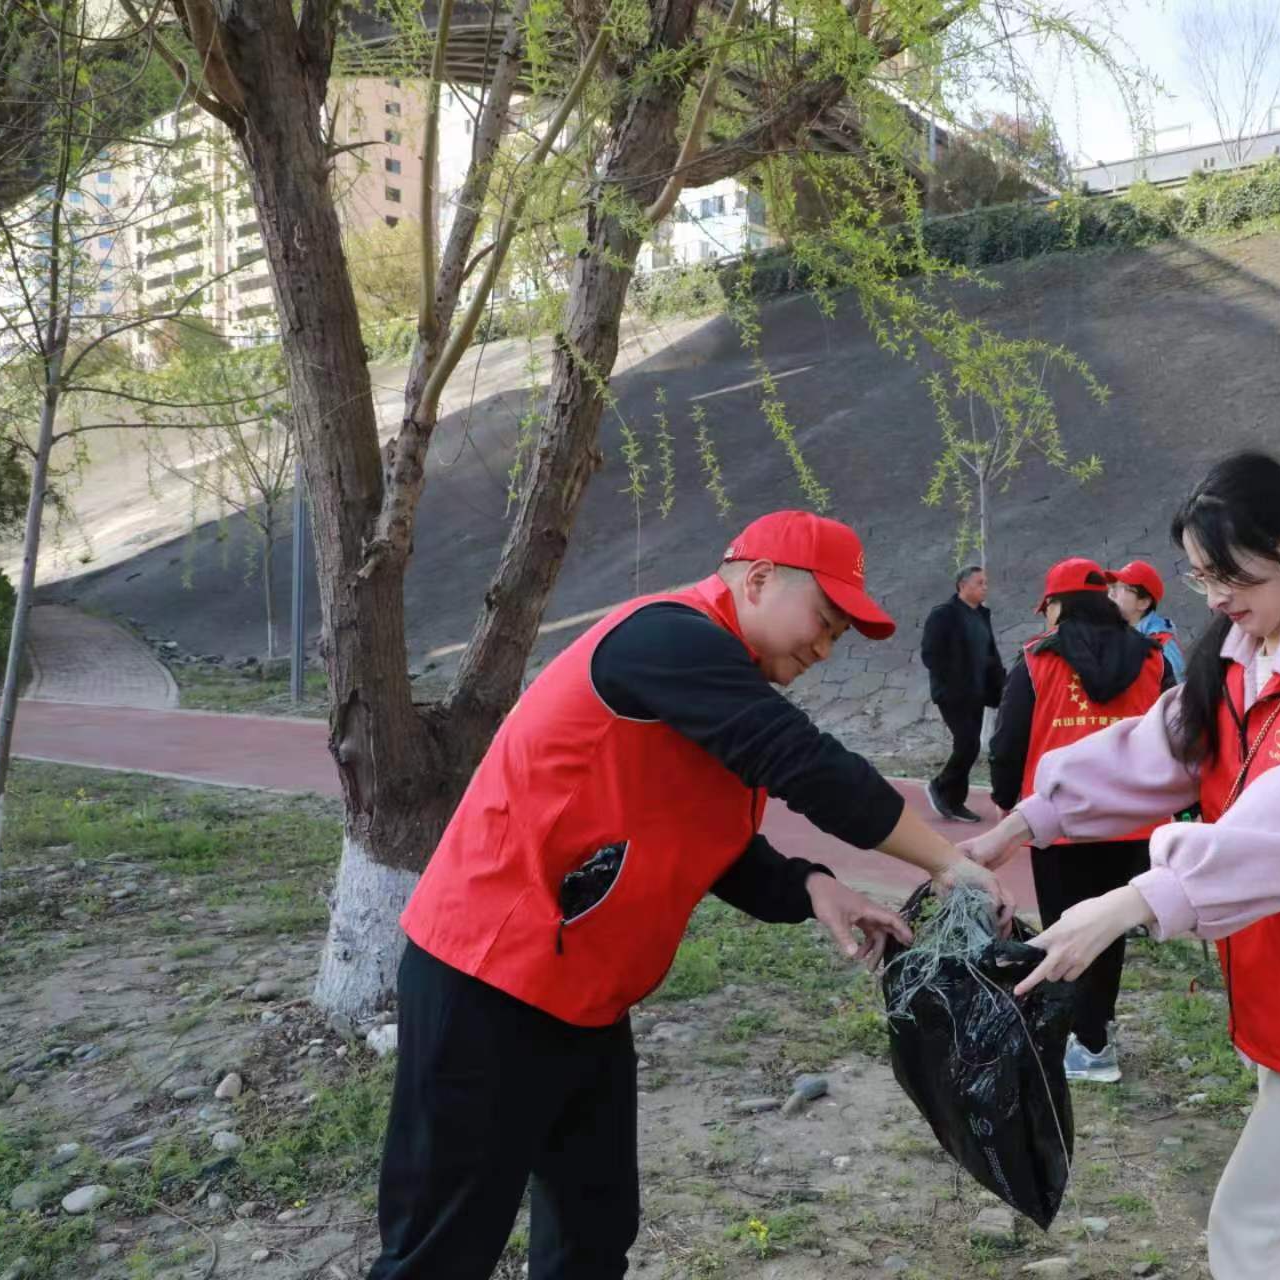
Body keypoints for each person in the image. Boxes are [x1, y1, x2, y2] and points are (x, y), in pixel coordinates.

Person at [372, 511, 1009, 1280]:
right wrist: (947, 861)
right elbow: (800, 762)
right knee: (441, 1251)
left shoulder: (712, 679)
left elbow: (707, 833)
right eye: (823, 620)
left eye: (839, 636)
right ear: (761, 578)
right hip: (487, 979)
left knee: (593, 1232)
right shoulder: (665, 638)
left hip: (585, 995)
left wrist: (811, 886)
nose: (823, 647)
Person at [963, 453, 1280, 1280]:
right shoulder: (1238, 656)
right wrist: (1022, 820)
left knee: (1256, 1229)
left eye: (1231, 575)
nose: (1218, 598)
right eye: (1200, 579)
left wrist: (1135, 899)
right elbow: (1151, 750)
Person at [988, 556, 1171, 1084]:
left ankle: (1077, 1040)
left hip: (1058, 825)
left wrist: (1007, 804)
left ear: (1059, 605)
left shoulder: (1036, 660)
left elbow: (1007, 743)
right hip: (1132, 824)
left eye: (1047, 608)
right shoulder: (1155, 659)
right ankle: (1095, 1038)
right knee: (1108, 929)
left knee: (1063, 929)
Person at [920, 564, 1004, 823]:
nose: (984, 587)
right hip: (953, 694)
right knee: (968, 743)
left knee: (970, 745)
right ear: (962, 586)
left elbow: (989, 655)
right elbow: (930, 654)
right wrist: (953, 681)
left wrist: (1000, 684)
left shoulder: (981, 616)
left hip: (977, 693)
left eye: (986, 583)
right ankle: (942, 788)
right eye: (979, 583)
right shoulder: (944, 615)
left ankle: (954, 800)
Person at [1108, 559, 1185, 684]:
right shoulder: (1119, 629)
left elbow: (1180, 690)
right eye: (1113, 586)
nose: (1111, 593)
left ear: (1143, 603)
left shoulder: (1162, 646)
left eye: (1124, 588)